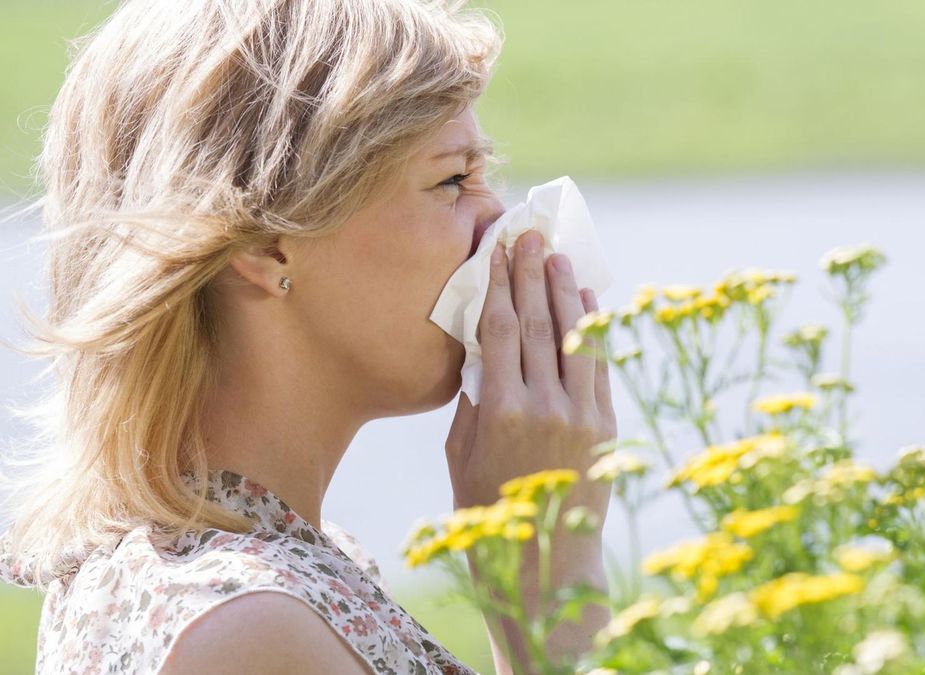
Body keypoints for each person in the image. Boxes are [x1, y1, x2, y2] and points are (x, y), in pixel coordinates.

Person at [0, 1, 617, 673]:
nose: (498, 216)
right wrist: (546, 574)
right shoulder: (244, 630)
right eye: (452, 180)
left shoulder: (248, 571)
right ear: (268, 243)